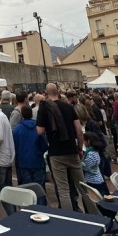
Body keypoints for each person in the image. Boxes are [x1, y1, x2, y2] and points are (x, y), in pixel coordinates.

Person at [36, 82, 84, 212]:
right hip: (72, 149)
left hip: (56, 151)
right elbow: (79, 130)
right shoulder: (68, 107)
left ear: (46, 93)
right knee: (83, 187)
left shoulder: (44, 108)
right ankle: (93, 214)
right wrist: (80, 148)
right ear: (58, 92)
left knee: (63, 189)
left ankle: (69, 218)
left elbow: (40, 131)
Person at [11, 105, 47, 204]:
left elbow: (15, 145)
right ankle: (42, 209)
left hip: (23, 162)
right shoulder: (38, 127)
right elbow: (44, 145)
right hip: (37, 161)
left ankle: (30, 209)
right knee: (39, 188)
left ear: (21, 115)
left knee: (28, 189)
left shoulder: (17, 129)